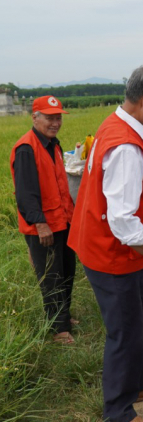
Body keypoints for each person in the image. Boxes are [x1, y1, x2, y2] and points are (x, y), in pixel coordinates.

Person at [68, 66, 143, 422]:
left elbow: (130, 191)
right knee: (123, 334)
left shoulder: (116, 125)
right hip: (112, 254)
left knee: (140, 318)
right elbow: (122, 221)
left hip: (117, 250)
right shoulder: (126, 146)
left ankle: (137, 385)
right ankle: (118, 411)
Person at [10, 95, 76, 344]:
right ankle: (57, 329)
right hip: (44, 226)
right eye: (49, 117)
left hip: (63, 220)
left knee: (67, 271)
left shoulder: (53, 144)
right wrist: (40, 224)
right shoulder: (27, 148)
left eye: (58, 117)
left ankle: (64, 317)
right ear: (35, 117)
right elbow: (25, 194)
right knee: (51, 277)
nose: (55, 122)